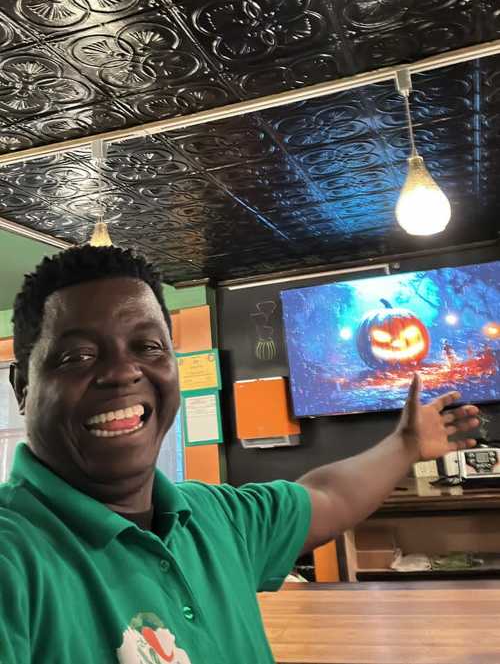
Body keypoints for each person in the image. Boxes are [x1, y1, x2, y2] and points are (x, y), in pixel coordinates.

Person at [1, 246, 479, 664]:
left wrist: (407, 444)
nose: (123, 372)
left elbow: (327, 496)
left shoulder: (216, 519)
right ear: (23, 387)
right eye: (79, 356)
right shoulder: (14, 558)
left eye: (148, 346)